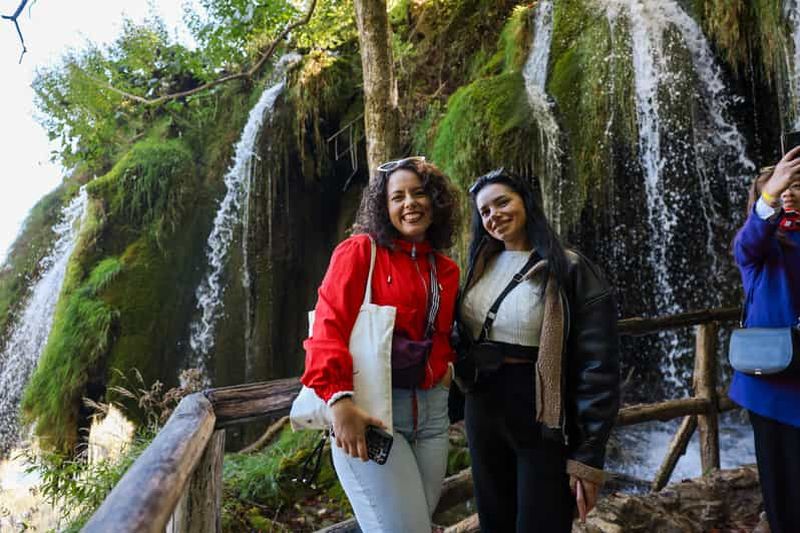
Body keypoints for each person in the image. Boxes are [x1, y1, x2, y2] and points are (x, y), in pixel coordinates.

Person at [301, 157, 460, 533]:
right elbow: (327, 328)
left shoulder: (445, 268)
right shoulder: (359, 252)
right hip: (373, 416)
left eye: (419, 193)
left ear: (435, 201)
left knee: (414, 524)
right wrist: (339, 402)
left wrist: (447, 371)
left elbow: (441, 337)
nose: (410, 204)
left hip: (434, 421)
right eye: (398, 197)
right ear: (384, 207)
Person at [455, 168, 619, 532]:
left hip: (539, 410)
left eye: (502, 202)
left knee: (541, 521)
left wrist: (587, 457)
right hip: (481, 405)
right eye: (485, 211)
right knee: (494, 520)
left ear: (525, 203)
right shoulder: (480, 265)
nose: (494, 215)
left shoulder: (570, 268)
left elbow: (599, 366)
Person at [730, 146, 800, 533]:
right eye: (778, 189)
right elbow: (749, 241)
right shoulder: (758, 249)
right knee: (784, 498)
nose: (788, 192)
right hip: (772, 387)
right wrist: (771, 194)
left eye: (796, 185)